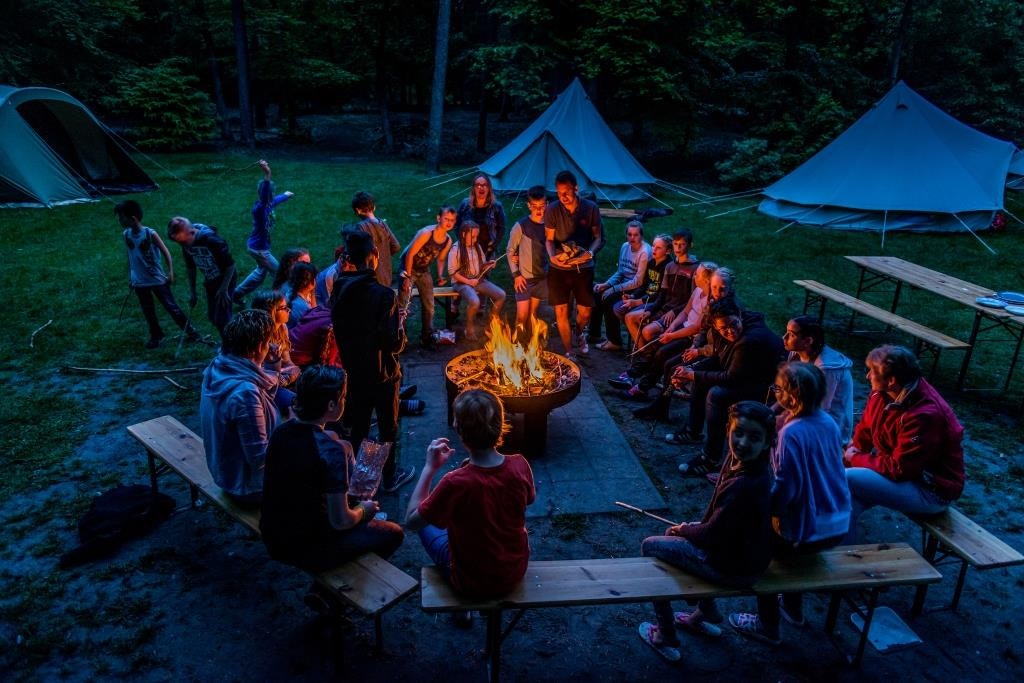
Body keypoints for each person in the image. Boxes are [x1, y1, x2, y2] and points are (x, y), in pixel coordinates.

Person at [636, 401, 775, 662]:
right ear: (727, 430)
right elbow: (717, 520)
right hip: (739, 556)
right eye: (739, 433)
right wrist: (691, 530)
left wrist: (686, 530)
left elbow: (712, 536)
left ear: (767, 443)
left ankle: (665, 634)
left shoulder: (747, 484)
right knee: (672, 538)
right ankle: (703, 613)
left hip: (736, 568)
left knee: (651, 547)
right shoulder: (740, 463)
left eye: (754, 437)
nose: (743, 442)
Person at [728, 362, 851, 645]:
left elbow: (787, 489)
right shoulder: (827, 421)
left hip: (810, 529)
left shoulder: (791, 434)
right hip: (838, 520)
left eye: (779, 389)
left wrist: (760, 513)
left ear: (792, 397)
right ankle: (793, 610)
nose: (775, 393)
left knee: (760, 553)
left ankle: (767, 625)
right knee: (787, 554)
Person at [260, 365, 404, 573]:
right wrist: (365, 510)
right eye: (343, 398)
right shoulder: (330, 452)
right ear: (330, 405)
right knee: (394, 533)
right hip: (307, 548)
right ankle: (332, 592)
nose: (345, 402)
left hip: (274, 537)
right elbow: (340, 521)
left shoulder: (280, 432)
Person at [405, 388, 536, 602]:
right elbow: (529, 499)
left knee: (426, 521)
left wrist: (430, 467)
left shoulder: (455, 482)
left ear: (458, 429)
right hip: (514, 570)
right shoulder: (520, 464)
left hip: (471, 581)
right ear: (501, 424)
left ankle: (463, 606)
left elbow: (411, 522)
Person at [843, 345, 964, 543]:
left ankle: (839, 552)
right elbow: (865, 428)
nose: (867, 376)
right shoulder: (883, 394)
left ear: (891, 381)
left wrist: (855, 459)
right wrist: (852, 453)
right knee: (847, 499)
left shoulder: (924, 415)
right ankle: (841, 553)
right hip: (899, 474)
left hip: (929, 490)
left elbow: (900, 469)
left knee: (848, 478)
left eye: (872, 372)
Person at [332, 230, 416, 492]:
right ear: (375, 255)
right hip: (383, 374)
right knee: (387, 426)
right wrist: (400, 325)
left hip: (353, 371)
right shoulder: (383, 295)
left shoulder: (339, 288)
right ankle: (389, 477)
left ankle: (362, 478)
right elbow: (392, 343)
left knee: (359, 425)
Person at [672, 298, 784, 476]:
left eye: (733, 324)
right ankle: (693, 431)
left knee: (716, 395)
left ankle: (711, 458)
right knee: (702, 380)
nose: (730, 331)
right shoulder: (722, 332)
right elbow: (719, 358)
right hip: (745, 376)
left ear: (739, 315)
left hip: (765, 385)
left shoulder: (749, 339)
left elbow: (731, 377)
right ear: (716, 327)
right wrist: (689, 371)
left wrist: (691, 375)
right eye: (723, 328)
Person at [199, 309, 279, 503]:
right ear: (258, 347)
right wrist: (295, 428)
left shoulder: (219, 366)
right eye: (267, 342)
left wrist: (271, 364)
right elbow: (260, 459)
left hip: (226, 473)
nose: (270, 347)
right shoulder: (245, 393)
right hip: (248, 488)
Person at [624, 262, 718, 407]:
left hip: (690, 338)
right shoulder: (698, 290)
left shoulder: (710, 301)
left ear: (706, 279)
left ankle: (641, 384)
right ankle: (636, 376)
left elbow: (696, 328)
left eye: (697, 274)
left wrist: (672, 336)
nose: (694, 276)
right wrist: (672, 327)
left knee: (662, 353)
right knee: (654, 345)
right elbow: (686, 311)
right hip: (681, 328)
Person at [115, 200, 200, 348]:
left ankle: (192, 333)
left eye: (122, 217)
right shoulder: (126, 234)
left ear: (133, 218)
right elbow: (130, 256)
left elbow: (166, 252)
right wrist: (131, 276)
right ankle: (156, 335)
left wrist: (170, 272)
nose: (119, 220)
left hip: (156, 279)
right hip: (139, 282)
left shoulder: (149, 233)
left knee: (171, 306)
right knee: (148, 310)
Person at [544, 170, 605, 359]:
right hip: (559, 269)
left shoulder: (590, 208)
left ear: (576, 189)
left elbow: (598, 237)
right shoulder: (552, 209)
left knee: (585, 312)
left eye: (567, 192)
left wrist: (590, 253)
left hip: (582, 267)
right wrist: (553, 257)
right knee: (561, 310)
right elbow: (548, 240)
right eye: (559, 193)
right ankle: (569, 351)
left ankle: (578, 331)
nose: (563, 197)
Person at [778, 316, 854, 443]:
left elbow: (820, 408)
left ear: (808, 341)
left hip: (829, 429)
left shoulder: (827, 369)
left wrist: (785, 422)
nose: (784, 337)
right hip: (803, 412)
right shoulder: (796, 355)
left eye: (791, 335)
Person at [232, 160, 294, 306]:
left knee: (260, 273)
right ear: (266, 195)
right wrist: (267, 173)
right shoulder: (259, 209)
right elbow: (268, 195)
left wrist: (286, 195)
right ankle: (286, 302)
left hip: (258, 247)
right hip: (259, 250)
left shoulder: (267, 204)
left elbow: (275, 201)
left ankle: (236, 294)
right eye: (270, 194)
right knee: (280, 274)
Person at [167, 216, 237, 337]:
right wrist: (193, 292)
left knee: (222, 318)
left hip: (226, 279)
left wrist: (224, 289)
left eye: (183, 242)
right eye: (179, 242)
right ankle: (228, 341)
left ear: (192, 232)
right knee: (212, 317)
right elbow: (191, 268)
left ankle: (232, 345)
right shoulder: (185, 243)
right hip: (211, 280)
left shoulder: (212, 241)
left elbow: (230, 266)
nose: (182, 245)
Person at [631, 229, 700, 351]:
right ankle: (643, 355)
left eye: (682, 244)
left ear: (690, 245)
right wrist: (651, 310)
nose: (677, 248)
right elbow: (662, 295)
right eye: (675, 244)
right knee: (637, 318)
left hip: (680, 312)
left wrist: (674, 311)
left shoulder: (695, 269)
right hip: (665, 308)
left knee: (647, 331)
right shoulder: (670, 266)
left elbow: (692, 299)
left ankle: (646, 356)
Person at [398, 206, 455, 349]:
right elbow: (410, 255)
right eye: (446, 219)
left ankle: (426, 337)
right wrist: (406, 277)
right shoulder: (426, 233)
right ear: (438, 218)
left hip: (424, 270)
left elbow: (441, 259)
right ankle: (401, 339)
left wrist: (441, 275)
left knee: (430, 306)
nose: (449, 223)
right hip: (408, 267)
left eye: (452, 220)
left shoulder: (447, 240)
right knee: (404, 304)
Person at [590, 220, 651, 350]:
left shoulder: (645, 252)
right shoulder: (625, 247)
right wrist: (607, 284)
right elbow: (620, 271)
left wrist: (613, 289)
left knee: (608, 299)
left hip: (637, 288)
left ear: (641, 236)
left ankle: (615, 341)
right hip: (623, 282)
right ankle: (593, 334)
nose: (632, 238)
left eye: (636, 235)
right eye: (629, 234)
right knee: (597, 292)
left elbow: (638, 281)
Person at [447, 220, 505, 340]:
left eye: (476, 237)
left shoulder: (476, 247)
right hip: (461, 283)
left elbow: (481, 265)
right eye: (472, 236)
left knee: (501, 295)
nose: (475, 240)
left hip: (478, 280)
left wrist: (488, 264)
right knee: (475, 301)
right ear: (463, 234)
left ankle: (493, 324)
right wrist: (468, 282)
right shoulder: (455, 249)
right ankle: (469, 328)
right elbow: (452, 272)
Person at [506, 185, 549, 339]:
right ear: (528, 205)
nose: (539, 210)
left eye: (542, 206)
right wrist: (516, 274)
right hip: (524, 279)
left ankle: (530, 346)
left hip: (541, 278)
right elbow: (510, 251)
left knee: (533, 314)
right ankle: (514, 344)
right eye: (534, 206)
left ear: (547, 204)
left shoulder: (549, 226)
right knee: (522, 316)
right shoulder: (521, 226)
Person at [251, 290, 301, 413]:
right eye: (283, 308)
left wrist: (289, 374)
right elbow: (259, 374)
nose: (289, 310)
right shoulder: (258, 337)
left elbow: (288, 362)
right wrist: (287, 375)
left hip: (277, 378)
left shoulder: (282, 328)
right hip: (262, 386)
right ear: (271, 312)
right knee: (297, 403)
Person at [621, 234, 673, 345]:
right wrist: (633, 296)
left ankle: (642, 350)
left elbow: (661, 294)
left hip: (655, 301)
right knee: (619, 308)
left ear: (668, 251)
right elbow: (644, 285)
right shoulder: (651, 263)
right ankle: (635, 340)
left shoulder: (668, 267)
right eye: (654, 246)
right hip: (646, 297)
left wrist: (638, 302)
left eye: (659, 248)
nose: (654, 249)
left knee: (628, 315)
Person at [350, 191, 401, 286]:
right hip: (386, 275)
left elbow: (357, 254)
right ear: (374, 207)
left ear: (357, 210)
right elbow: (396, 246)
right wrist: (383, 254)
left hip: (369, 276)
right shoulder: (382, 223)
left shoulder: (360, 227)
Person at [456, 174, 506, 260]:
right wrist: (462, 241)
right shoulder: (465, 204)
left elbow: (502, 228)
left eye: (484, 185)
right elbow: (457, 224)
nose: (481, 187)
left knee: (484, 272)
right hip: (468, 247)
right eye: (477, 185)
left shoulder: (497, 206)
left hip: (487, 248)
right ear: (473, 188)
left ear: (489, 188)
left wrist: (494, 245)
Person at [286, 262, 318, 329]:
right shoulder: (303, 307)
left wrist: (312, 292)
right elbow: (315, 319)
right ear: (312, 282)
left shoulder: (291, 292)